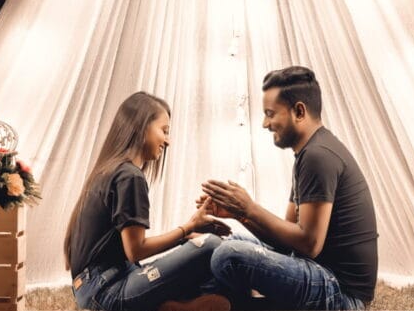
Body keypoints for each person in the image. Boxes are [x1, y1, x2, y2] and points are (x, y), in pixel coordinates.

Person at [201, 66, 378, 310]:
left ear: (299, 111)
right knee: (217, 242)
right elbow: (286, 241)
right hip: (316, 271)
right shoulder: (307, 154)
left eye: (270, 114)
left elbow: (309, 244)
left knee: (228, 255)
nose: (265, 123)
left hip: (341, 293)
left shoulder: (319, 156)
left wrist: (249, 208)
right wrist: (240, 214)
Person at [64, 91, 231, 311]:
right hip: (107, 292)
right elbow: (136, 250)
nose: (168, 141)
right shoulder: (129, 176)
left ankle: (169, 305)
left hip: (90, 288)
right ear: (142, 126)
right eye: (164, 130)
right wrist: (187, 228)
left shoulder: (107, 171)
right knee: (211, 245)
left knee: (200, 247)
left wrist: (186, 236)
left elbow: (126, 251)